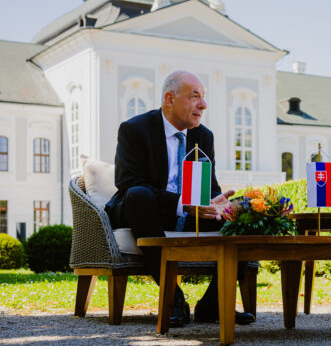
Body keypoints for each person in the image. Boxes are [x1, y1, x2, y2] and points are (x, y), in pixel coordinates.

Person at [105, 70, 255, 327]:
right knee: (137, 195)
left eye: (203, 97)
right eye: (195, 96)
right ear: (170, 99)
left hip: (192, 213)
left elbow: (210, 188)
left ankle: (213, 304)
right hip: (147, 212)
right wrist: (183, 205)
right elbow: (128, 182)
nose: (203, 105)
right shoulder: (135, 129)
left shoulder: (204, 136)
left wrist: (218, 203)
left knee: (249, 208)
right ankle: (172, 298)